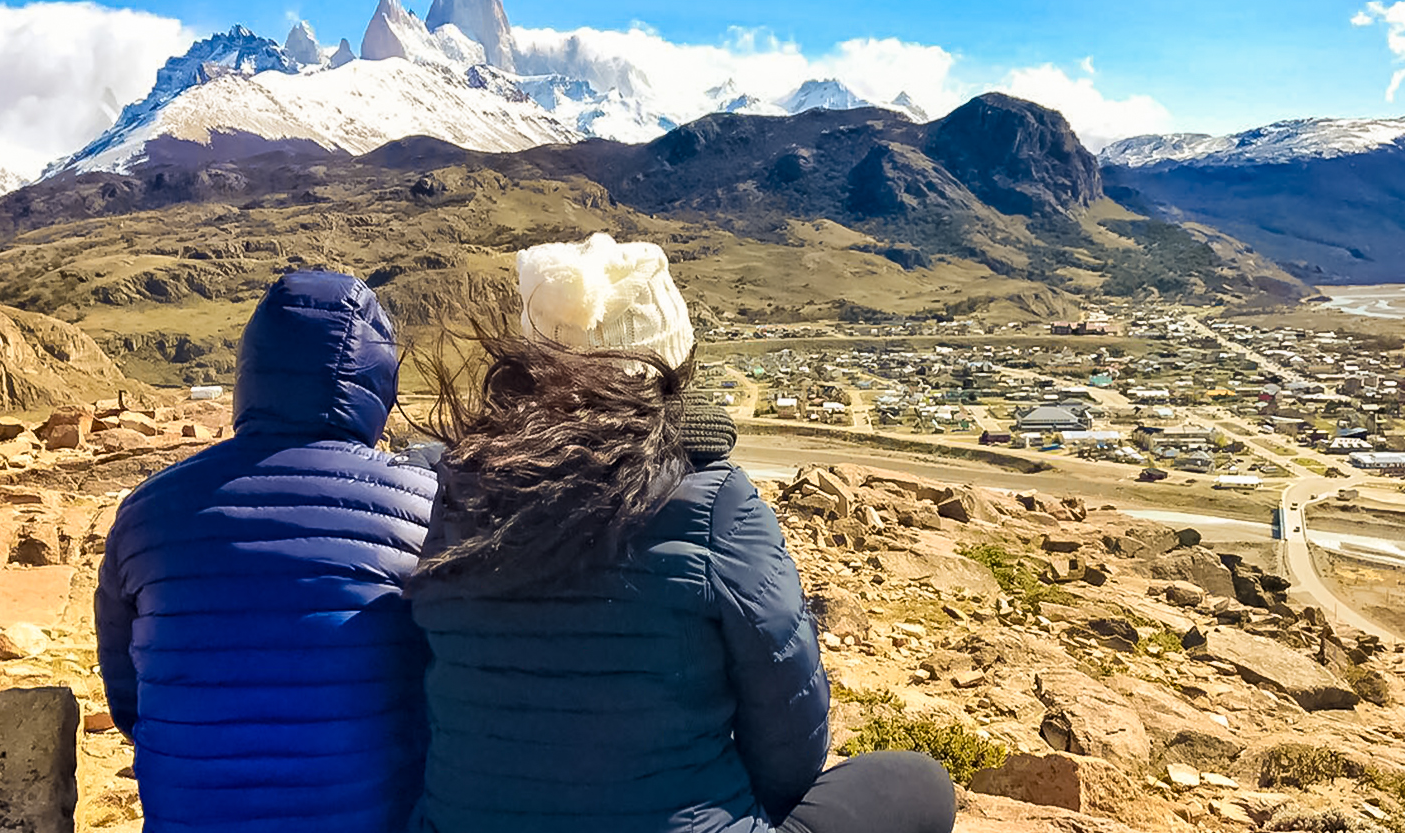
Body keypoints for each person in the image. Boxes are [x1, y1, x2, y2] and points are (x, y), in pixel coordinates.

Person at [409, 232, 956, 833]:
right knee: (918, 782)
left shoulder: (459, 487)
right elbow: (792, 741)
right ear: (673, 371)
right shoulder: (716, 501)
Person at [95, 270, 438, 833]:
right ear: (376, 384)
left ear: (251, 373)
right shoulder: (423, 506)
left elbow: (128, 697)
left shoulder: (146, 512)